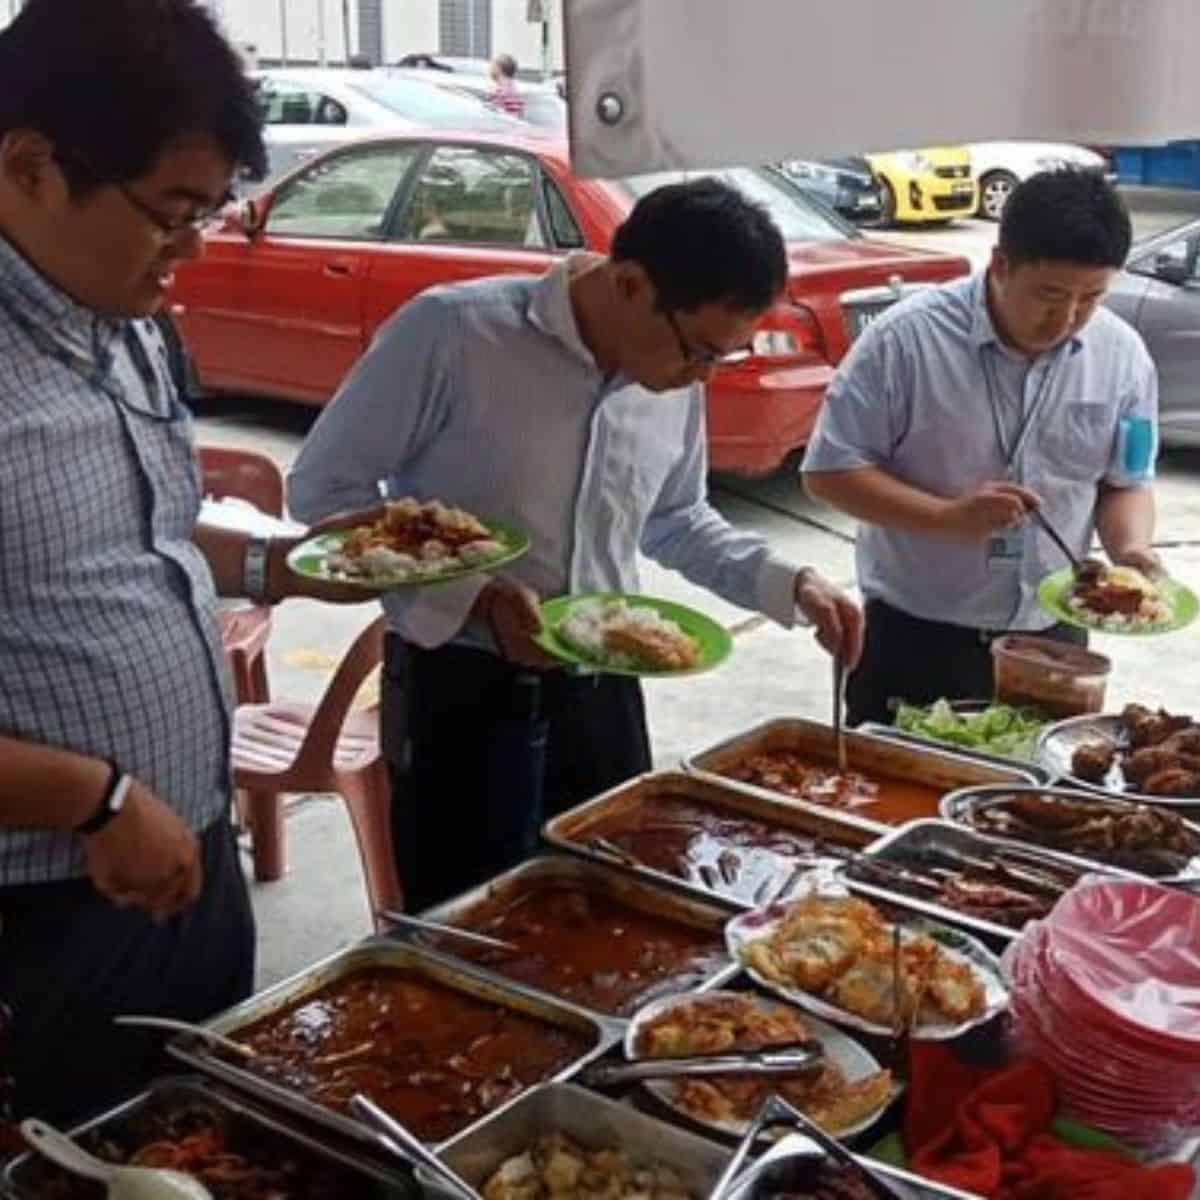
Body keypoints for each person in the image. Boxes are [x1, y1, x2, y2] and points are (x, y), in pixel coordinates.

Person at [288, 178, 864, 911]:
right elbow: (322, 489)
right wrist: (475, 600)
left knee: (610, 905)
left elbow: (676, 518)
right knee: (473, 916)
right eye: (697, 352)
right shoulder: (454, 334)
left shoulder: (671, 374)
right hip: (461, 688)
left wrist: (793, 584)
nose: (701, 376)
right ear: (629, 284)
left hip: (602, 689)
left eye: (721, 358)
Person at [0, 0, 361, 1125]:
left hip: (180, 858)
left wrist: (283, 571)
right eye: (172, 211)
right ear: (31, 167)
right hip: (41, 910)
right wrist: (95, 799)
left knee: (210, 1144)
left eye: (213, 210)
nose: (195, 245)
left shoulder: (127, 319)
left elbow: (134, 541)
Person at [801, 169, 1159, 727]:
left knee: (1044, 802)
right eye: (1050, 295)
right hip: (918, 633)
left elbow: (1125, 481)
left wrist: (1131, 551)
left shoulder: (1123, 356)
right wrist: (947, 518)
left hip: (1052, 637)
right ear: (1000, 264)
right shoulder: (904, 343)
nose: (1067, 319)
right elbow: (829, 471)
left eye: (1090, 298)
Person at [488, 53, 525, 119]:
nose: (489, 70)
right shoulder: (515, 89)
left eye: (492, 67)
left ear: (498, 69)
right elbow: (519, 114)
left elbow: (495, 116)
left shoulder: (500, 91)